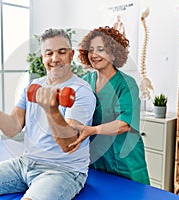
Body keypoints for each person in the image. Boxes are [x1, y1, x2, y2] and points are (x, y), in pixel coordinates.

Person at [0, 28, 96, 200]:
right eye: (49, 53)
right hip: (26, 162)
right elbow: (13, 127)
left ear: (71, 54)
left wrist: (51, 110)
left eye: (61, 52)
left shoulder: (81, 92)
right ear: (42, 57)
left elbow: (69, 143)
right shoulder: (33, 86)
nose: (55, 58)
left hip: (63, 170)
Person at [68, 26, 150, 185]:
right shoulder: (84, 81)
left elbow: (125, 124)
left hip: (125, 161)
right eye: (90, 50)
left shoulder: (126, 84)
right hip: (96, 160)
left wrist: (92, 130)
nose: (94, 54)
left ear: (113, 53)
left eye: (101, 49)